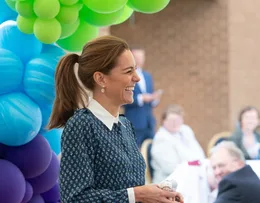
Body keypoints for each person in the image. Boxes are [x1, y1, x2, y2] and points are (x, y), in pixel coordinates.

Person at [48, 35, 183, 203]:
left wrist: (157, 195)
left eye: (135, 69)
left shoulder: (125, 125)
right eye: (128, 71)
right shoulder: (81, 125)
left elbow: (130, 189)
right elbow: (75, 198)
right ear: (101, 79)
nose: (137, 77)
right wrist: (138, 194)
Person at [151, 104, 205, 183]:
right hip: (169, 181)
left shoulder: (185, 130)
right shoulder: (161, 138)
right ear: (163, 121)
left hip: (190, 174)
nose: (175, 123)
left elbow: (199, 154)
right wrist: (193, 166)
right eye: (171, 120)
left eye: (178, 120)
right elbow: (170, 168)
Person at [123, 47, 162, 148]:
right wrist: (141, 98)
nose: (140, 60)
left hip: (149, 122)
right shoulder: (125, 76)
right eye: (136, 57)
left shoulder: (147, 76)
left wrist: (154, 99)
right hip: (134, 122)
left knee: (151, 151)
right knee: (133, 152)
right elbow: (122, 99)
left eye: (141, 57)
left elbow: (151, 100)